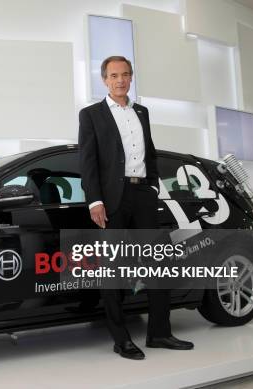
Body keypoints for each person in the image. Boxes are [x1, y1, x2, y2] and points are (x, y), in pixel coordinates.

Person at [78, 56, 194, 360]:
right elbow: (87, 162)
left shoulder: (142, 112)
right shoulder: (91, 115)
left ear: (131, 78)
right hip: (111, 200)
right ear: (104, 79)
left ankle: (160, 333)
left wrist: (153, 186)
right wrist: (95, 200)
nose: (120, 80)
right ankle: (121, 339)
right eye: (114, 75)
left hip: (142, 194)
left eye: (125, 75)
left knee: (158, 266)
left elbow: (149, 153)